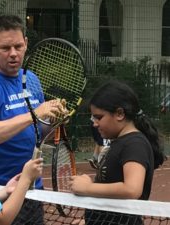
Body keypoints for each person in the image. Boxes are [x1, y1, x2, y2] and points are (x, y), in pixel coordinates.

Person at [0, 14, 65, 225]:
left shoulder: (32, 80)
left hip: (32, 188)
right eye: (5, 48)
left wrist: (55, 121)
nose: (13, 54)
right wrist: (33, 114)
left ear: (26, 44)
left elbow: (40, 129)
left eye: (18, 46)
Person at [69, 80, 166, 225]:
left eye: (99, 117)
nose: (94, 123)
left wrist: (88, 188)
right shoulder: (121, 141)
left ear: (120, 114)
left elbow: (132, 189)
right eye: (93, 117)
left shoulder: (134, 144)